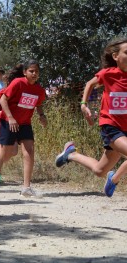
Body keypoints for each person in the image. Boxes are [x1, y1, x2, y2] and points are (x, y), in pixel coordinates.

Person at [55, 37, 127, 198]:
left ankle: (71, 154)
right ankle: (115, 180)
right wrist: (83, 104)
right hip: (112, 126)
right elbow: (90, 84)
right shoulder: (108, 74)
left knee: (99, 171)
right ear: (115, 56)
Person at [0, 59, 47, 197]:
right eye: (31, 71)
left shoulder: (39, 90)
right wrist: (10, 117)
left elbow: (38, 105)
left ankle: (26, 187)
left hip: (25, 123)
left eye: (37, 71)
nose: (34, 73)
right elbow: (3, 99)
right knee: (7, 155)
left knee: (29, 151)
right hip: (8, 121)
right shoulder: (18, 83)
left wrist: (42, 116)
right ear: (25, 72)